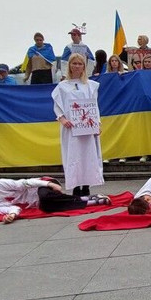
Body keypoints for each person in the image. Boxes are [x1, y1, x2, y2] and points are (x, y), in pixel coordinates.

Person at [51, 54, 104, 197]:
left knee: (88, 155)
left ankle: (86, 185)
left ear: (84, 67)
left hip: (87, 127)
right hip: (71, 128)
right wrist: (62, 119)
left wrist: (97, 123)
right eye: (74, 63)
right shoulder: (62, 87)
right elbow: (57, 105)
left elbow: (94, 106)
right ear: (69, 65)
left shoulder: (90, 86)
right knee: (73, 156)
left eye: (80, 64)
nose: (76, 66)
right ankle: (75, 186)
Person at [0, 178, 111, 224]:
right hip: (40, 200)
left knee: (46, 198)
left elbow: (25, 183)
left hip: (41, 185)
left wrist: (49, 184)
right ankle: (92, 201)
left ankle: (87, 199)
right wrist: (11, 216)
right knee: (47, 206)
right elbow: (14, 209)